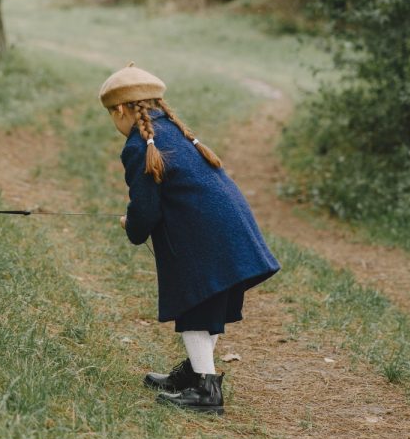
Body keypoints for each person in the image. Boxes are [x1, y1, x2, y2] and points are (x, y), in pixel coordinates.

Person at [99, 63, 280, 415]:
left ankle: (206, 392)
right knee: (207, 303)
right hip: (231, 230)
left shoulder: (139, 146)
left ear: (120, 110)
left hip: (205, 239)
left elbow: (146, 210)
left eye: (111, 115)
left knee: (195, 308)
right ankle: (196, 372)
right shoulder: (175, 131)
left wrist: (131, 226)